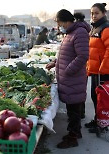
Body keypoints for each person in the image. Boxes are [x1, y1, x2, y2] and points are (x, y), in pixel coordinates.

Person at [46, 10, 90, 149]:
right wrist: (56, 62)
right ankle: (75, 133)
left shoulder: (79, 33)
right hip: (70, 79)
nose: (58, 26)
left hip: (73, 79)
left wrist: (68, 70)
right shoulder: (70, 33)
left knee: (74, 110)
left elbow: (82, 56)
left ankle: (73, 138)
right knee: (72, 110)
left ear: (65, 21)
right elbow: (67, 54)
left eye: (59, 23)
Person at [85, 3, 109, 133]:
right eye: (92, 13)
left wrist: (103, 68)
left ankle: (102, 124)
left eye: (96, 13)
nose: (93, 16)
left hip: (102, 72)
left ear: (103, 13)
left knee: (102, 99)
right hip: (95, 70)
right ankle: (97, 119)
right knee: (95, 97)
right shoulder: (94, 28)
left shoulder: (105, 28)